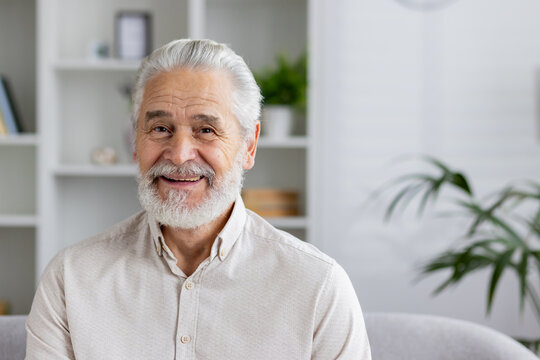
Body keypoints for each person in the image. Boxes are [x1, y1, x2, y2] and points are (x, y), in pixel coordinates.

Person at [25, 39, 372, 359]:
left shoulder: (318, 286)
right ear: (135, 142)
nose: (178, 155)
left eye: (206, 130)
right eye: (160, 129)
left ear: (249, 145)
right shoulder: (70, 279)